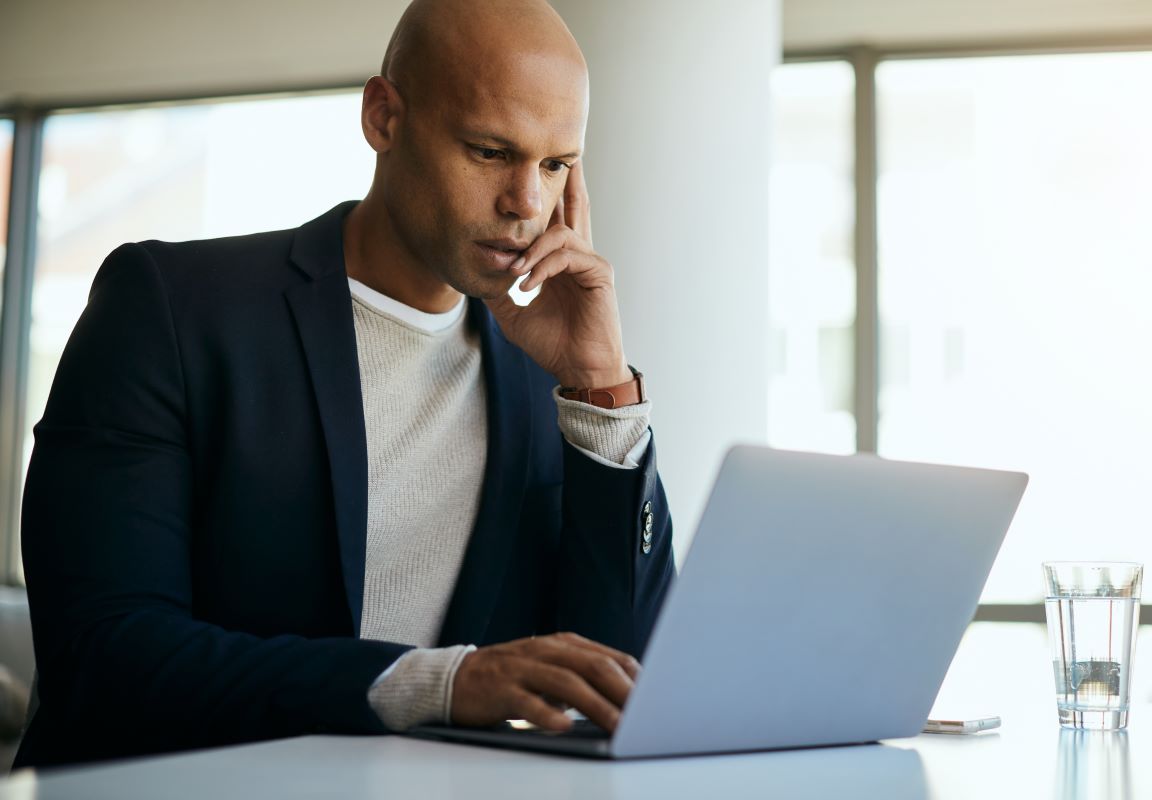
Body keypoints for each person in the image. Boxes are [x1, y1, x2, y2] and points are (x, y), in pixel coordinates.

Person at [15, 0, 674, 768]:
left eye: (556, 164)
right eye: (492, 151)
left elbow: (620, 676)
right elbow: (102, 653)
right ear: (384, 117)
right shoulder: (170, 307)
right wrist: (434, 683)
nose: (528, 205)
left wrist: (601, 391)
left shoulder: (547, 376)